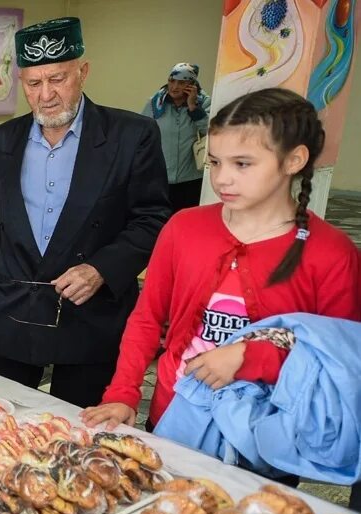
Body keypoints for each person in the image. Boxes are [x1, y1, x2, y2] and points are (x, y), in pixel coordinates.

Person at [82, 88, 360, 433]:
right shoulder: (184, 228)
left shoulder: (331, 253)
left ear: (294, 160)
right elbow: (147, 318)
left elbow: (340, 356)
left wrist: (251, 357)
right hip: (174, 413)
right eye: (214, 162)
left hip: (271, 430)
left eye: (242, 163)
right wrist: (122, 392)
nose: (222, 178)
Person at [0, 17, 171, 408]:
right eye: (34, 83)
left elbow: (153, 217)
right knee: (4, 421)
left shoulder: (132, 136)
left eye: (58, 79)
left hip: (89, 314)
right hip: (12, 309)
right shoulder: (1, 142)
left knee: (80, 428)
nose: (46, 95)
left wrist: (101, 269)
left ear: (83, 72)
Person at [142, 63, 211, 213]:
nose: (174, 87)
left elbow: (212, 132)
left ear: (191, 84)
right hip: (160, 178)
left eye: (181, 82)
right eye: (172, 81)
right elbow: (142, 135)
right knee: (160, 222)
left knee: (188, 223)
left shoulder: (204, 102)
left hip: (192, 179)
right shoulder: (155, 103)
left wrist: (193, 108)